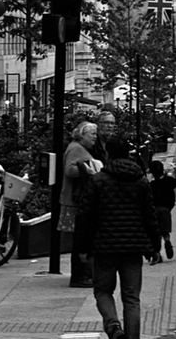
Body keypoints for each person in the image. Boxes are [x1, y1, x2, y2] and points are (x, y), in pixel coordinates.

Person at [77, 137, 161, 339]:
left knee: (103, 291)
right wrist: (155, 245)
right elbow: (149, 215)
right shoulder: (140, 181)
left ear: (108, 154)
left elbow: (85, 216)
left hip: (104, 246)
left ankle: (113, 327)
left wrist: (83, 247)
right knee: (132, 298)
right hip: (134, 246)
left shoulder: (98, 181)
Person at [59, 121, 100, 287]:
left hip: (76, 199)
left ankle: (82, 275)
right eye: (92, 134)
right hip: (75, 201)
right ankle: (80, 276)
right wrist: (89, 171)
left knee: (80, 239)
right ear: (82, 135)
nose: (95, 138)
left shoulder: (77, 147)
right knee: (80, 240)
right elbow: (69, 170)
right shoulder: (76, 148)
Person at [147, 159, 176, 260]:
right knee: (165, 230)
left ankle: (157, 252)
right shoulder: (168, 181)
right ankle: (167, 241)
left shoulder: (151, 185)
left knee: (156, 232)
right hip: (166, 209)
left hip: (154, 209)